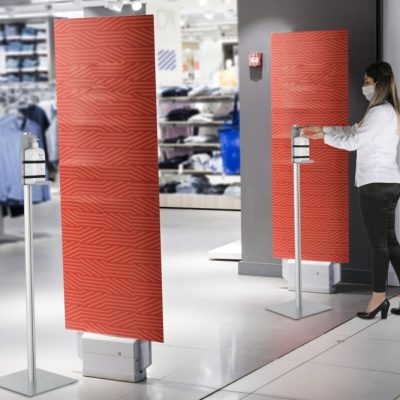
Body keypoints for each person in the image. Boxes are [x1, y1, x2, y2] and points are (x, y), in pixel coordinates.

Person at [303, 61, 400, 320]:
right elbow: (354, 130)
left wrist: (323, 138)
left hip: (375, 185)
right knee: (390, 242)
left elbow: (354, 142)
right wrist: (323, 130)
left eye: (367, 82)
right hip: (389, 182)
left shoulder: (379, 112)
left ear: (377, 84)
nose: (364, 87)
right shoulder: (387, 110)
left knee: (379, 244)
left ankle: (379, 297)